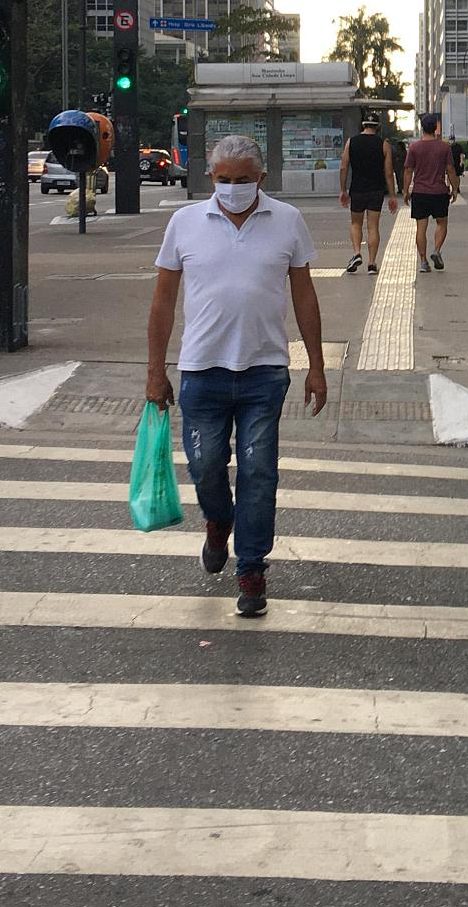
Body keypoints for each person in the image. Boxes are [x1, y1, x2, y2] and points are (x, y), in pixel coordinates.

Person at [147, 135, 328, 618]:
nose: (232, 189)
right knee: (205, 465)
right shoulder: (185, 222)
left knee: (258, 472)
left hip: (265, 373)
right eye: (224, 180)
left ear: (260, 179)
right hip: (201, 372)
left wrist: (316, 366)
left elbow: (305, 296)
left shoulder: (287, 220)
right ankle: (217, 521)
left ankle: (251, 571)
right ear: (211, 177)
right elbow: (164, 301)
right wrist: (155, 371)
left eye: (242, 181)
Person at [338, 119, 399, 275]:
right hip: (376, 190)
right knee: (373, 226)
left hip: (357, 189)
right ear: (377, 127)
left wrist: (343, 190)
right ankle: (372, 263)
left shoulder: (351, 142)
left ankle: (357, 253)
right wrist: (392, 195)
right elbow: (388, 172)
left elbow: (344, 167)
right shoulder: (383, 144)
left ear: (363, 125)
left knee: (356, 223)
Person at [405, 111, 460, 273]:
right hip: (439, 191)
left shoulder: (414, 147)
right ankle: (436, 250)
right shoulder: (444, 147)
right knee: (441, 223)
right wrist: (454, 188)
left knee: (420, 228)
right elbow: (450, 169)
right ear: (435, 127)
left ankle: (423, 262)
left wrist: (406, 190)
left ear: (422, 128)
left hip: (420, 192)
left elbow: (408, 170)